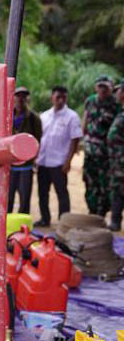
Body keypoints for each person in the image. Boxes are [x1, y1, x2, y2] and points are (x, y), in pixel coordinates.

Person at [35, 85, 82, 227]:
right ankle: (45, 219)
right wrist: (35, 158)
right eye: (58, 97)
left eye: (64, 97)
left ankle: (63, 222)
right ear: (52, 98)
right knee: (43, 193)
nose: (61, 100)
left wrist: (68, 161)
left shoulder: (72, 116)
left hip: (59, 162)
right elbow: (38, 138)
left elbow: (75, 140)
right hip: (43, 161)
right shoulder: (44, 116)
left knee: (62, 193)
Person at [82, 75, 120, 217]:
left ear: (111, 88)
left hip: (105, 154)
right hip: (90, 151)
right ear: (96, 87)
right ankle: (92, 211)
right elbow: (85, 121)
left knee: (104, 185)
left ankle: (101, 213)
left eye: (106, 87)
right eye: (100, 86)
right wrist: (84, 137)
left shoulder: (116, 105)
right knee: (89, 182)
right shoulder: (90, 101)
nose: (103, 90)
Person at [8, 87, 42, 215]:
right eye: (18, 95)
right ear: (14, 97)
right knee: (8, 198)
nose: (20, 98)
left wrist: (33, 158)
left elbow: (38, 140)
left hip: (26, 165)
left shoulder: (33, 118)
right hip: (9, 164)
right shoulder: (7, 115)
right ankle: (6, 225)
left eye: (24, 96)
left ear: (27, 99)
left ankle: (22, 227)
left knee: (24, 198)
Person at [108, 80, 124, 230]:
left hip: (121, 163)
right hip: (117, 163)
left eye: (119, 91)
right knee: (117, 191)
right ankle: (115, 221)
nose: (117, 94)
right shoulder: (121, 112)